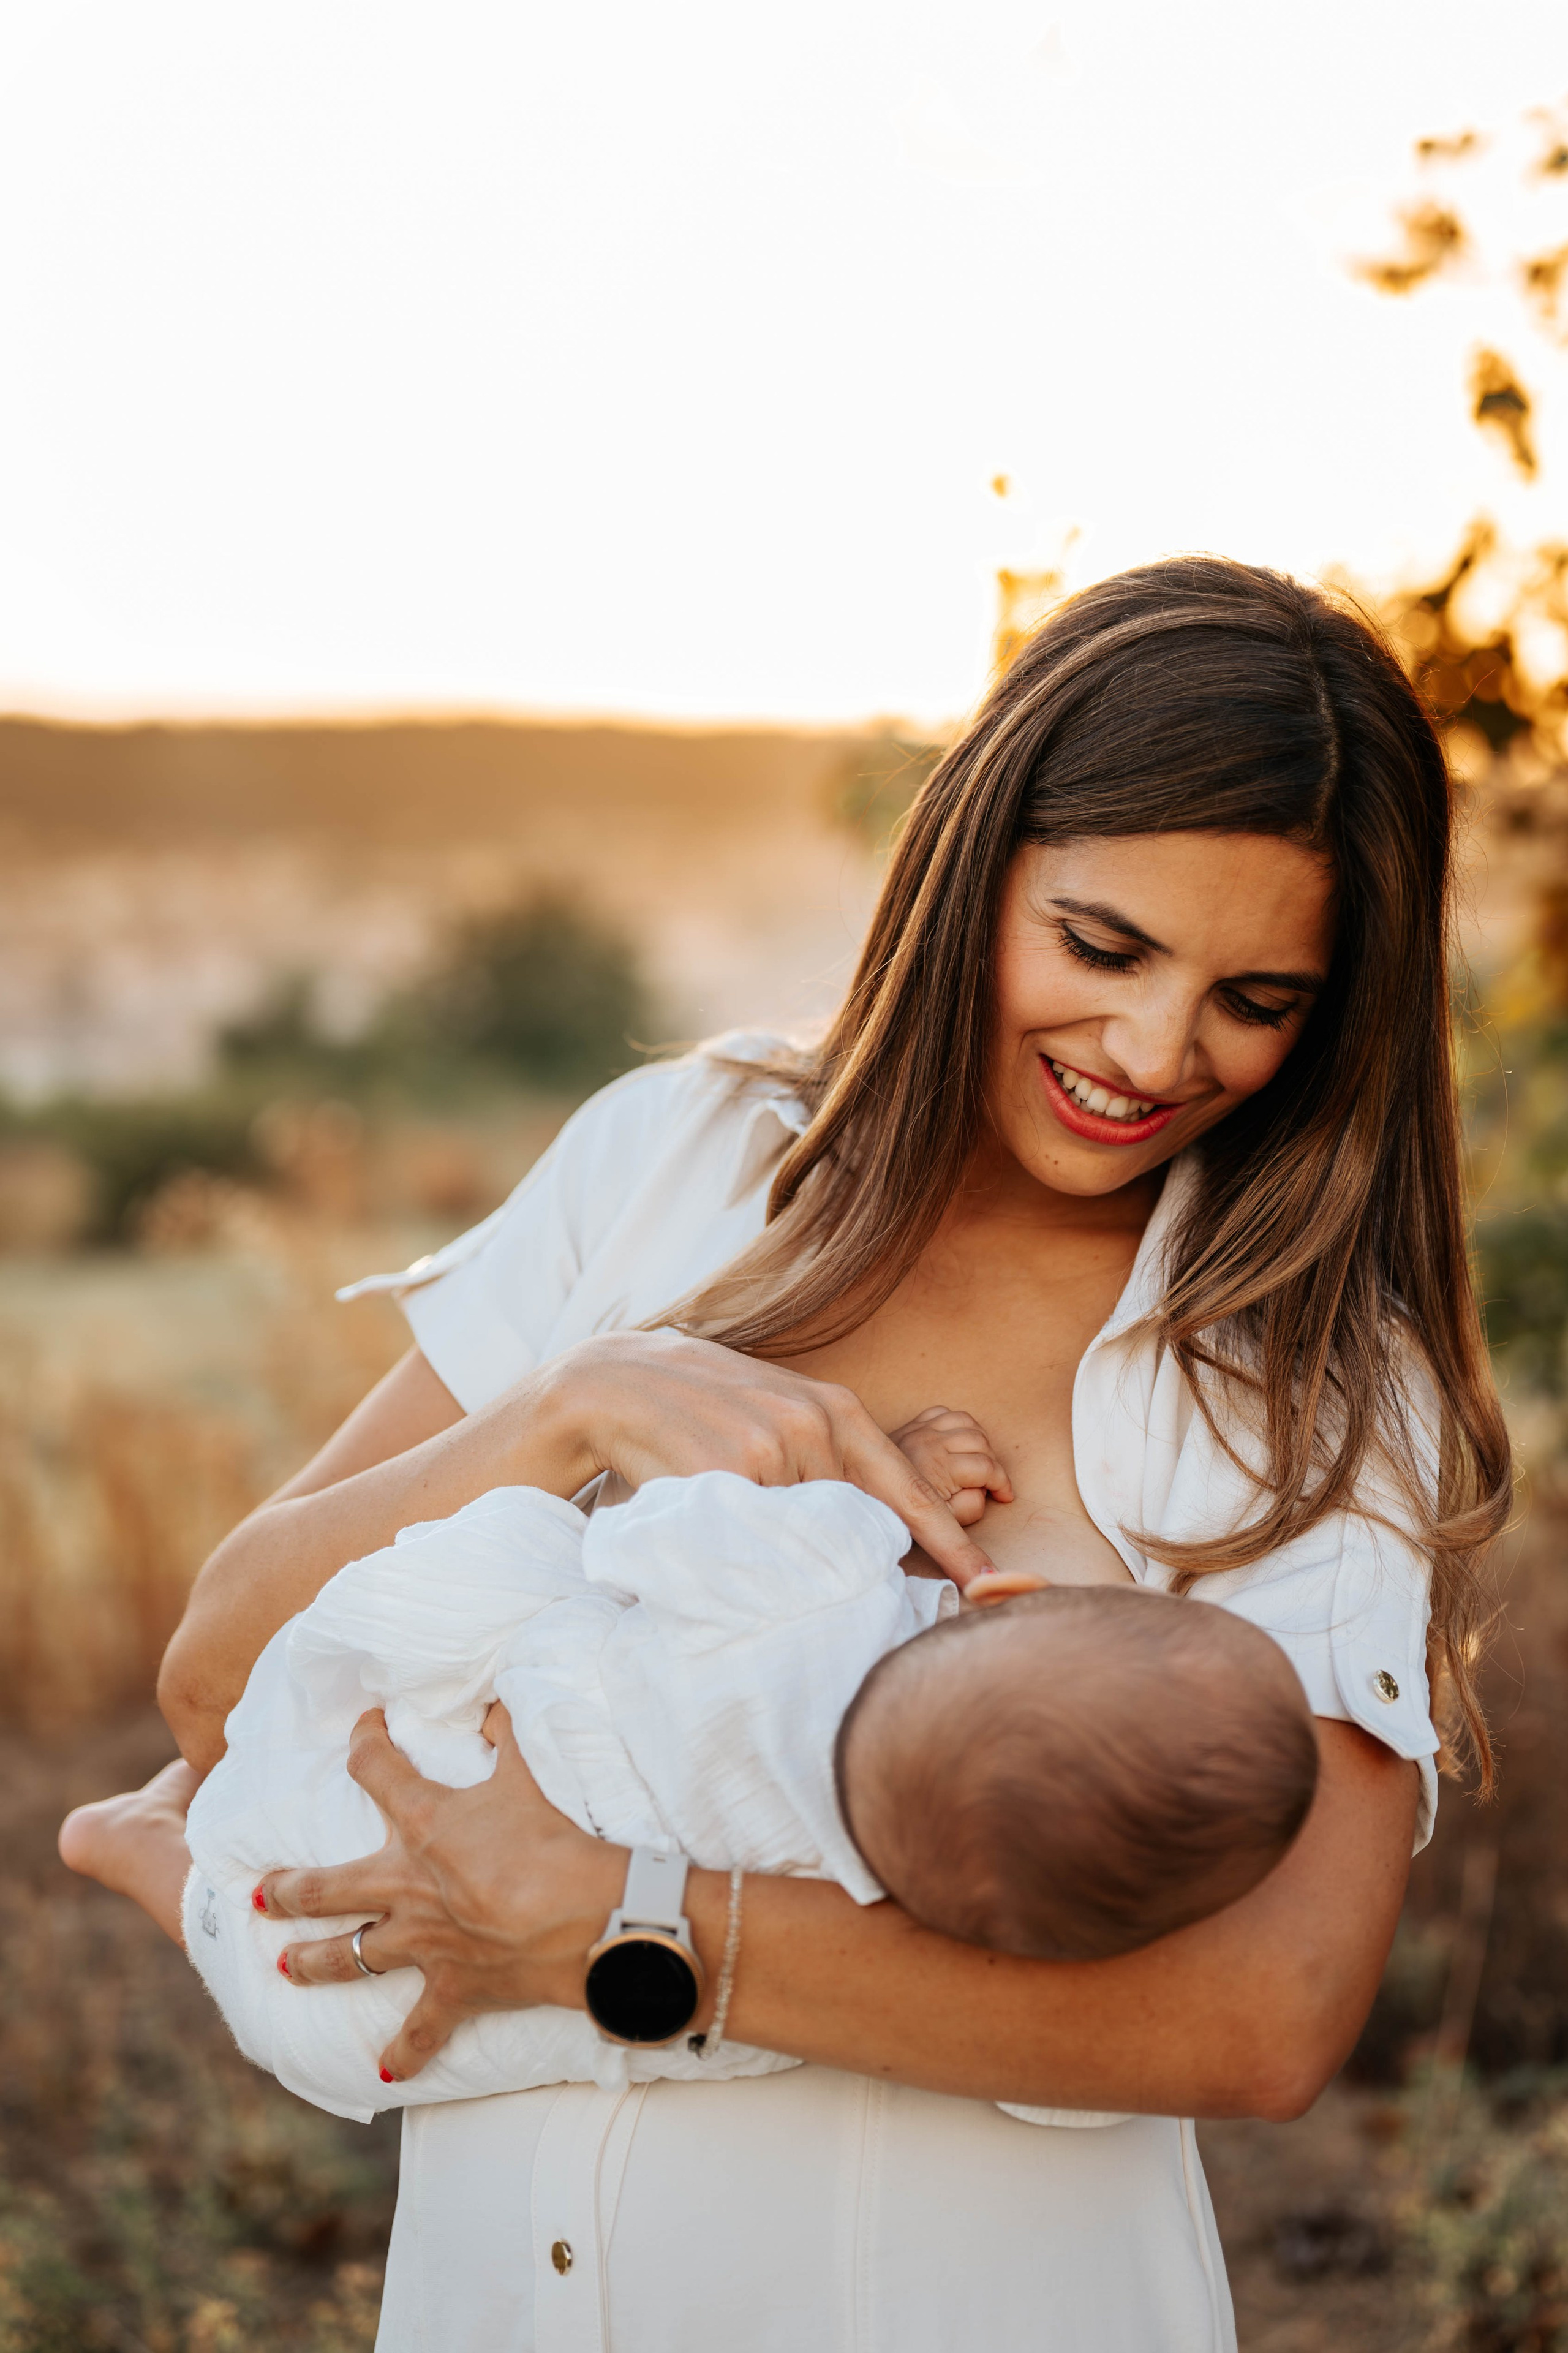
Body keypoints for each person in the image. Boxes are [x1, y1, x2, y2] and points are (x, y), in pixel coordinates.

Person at [64, 556, 1509, 2352]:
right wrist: (564, 1413)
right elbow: (217, 1685)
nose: (1153, 1050)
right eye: (1103, 946)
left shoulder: (1313, 1384)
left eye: (1258, 998)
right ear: (974, 866)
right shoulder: (674, 1156)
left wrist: (623, 1934)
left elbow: (1264, 2018)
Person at [149, 1460, 1313, 2126]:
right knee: (281, 1976)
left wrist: (872, 1487)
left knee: (500, 1591)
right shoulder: (894, 1919)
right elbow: (1077, 2096)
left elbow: (657, 1529)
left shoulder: (831, 1585)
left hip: (461, 1767)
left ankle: (153, 1832)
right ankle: (146, 1852)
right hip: (409, 2030)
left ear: (1009, 1594)